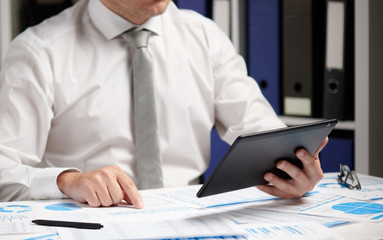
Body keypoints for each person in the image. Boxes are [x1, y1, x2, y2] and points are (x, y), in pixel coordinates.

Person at [0, 0, 327, 208]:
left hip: (192, 219)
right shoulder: (38, 52)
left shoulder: (204, 35)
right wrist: (67, 181)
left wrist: (292, 170)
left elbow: (261, 131)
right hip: (91, 222)